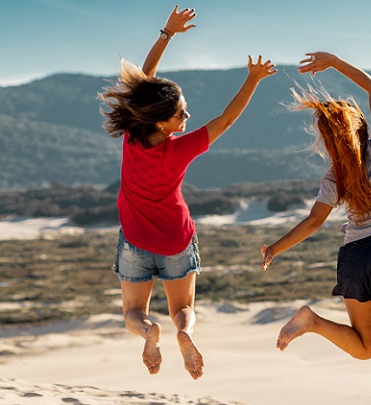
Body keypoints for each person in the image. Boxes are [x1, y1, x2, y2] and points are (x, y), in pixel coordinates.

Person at [100, 5, 276, 380]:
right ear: (162, 122)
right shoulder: (180, 148)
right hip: (177, 241)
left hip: (134, 242)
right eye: (181, 114)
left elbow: (142, 82)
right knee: (183, 308)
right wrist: (253, 81)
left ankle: (149, 332)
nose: (187, 119)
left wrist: (166, 33)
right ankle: (184, 333)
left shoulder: (133, 137)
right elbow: (226, 119)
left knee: (133, 312)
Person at [261, 52, 371, 364]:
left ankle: (312, 321)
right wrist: (334, 62)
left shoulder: (335, 174)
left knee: (364, 348)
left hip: (354, 256)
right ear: (360, 126)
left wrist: (274, 249)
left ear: (330, 142)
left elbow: (314, 221)